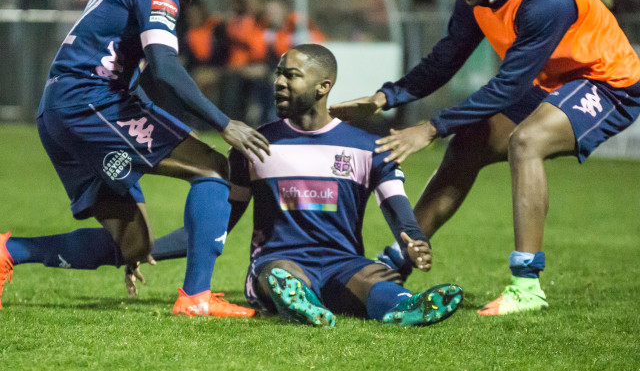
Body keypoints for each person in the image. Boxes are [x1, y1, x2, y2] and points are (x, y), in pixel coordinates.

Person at [329, 0, 640, 316]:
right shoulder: (476, 0)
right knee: (469, 141)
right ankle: (395, 262)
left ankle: (527, 286)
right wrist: (384, 97)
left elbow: (508, 87)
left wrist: (430, 127)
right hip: (554, 83)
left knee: (526, 142)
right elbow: (445, 59)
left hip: (609, 83)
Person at [0, 0, 270, 318]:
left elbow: (132, 75)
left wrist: (156, 139)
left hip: (60, 112)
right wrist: (223, 123)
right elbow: (164, 66)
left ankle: (9, 251)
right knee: (214, 168)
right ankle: (196, 297)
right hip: (89, 103)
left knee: (133, 247)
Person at [152, 44, 463, 327]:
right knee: (280, 275)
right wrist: (144, 249)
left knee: (374, 277)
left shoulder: (369, 148)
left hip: (342, 264)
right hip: (278, 261)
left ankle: (403, 307)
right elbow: (216, 227)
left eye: (292, 76)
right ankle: (301, 300)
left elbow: (399, 211)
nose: (279, 83)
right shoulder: (254, 146)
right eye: (278, 75)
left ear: (323, 87)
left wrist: (415, 241)